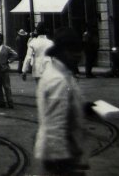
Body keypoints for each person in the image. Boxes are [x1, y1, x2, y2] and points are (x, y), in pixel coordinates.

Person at [34, 27, 89, 175]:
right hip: (59, 156)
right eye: (74, 51)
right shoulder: (58, 80)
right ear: (63, 52)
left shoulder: (62, 74)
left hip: (63, 152)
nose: (79, 55)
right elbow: (55, 124)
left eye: (79, 50)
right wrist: (61, 162)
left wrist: (83, 107)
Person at [0, 33, 18, 108]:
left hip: (5, 70)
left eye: (0, 39)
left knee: (7, 87)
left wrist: (9, 61)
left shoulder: (6, 48)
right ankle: (1, 102)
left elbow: (15, 55)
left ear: (2, 40)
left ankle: (10, 103)